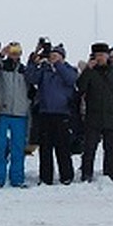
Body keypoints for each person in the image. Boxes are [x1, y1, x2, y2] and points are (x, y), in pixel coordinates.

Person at [26, 43, 78, 186]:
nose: (52, 58)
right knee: (45, 149)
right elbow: (31, 79)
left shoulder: (69, 69)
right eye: (52, 55)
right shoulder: (44, 70)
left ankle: (66, 176)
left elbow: (71, 80)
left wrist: (59, 66)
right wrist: (33, 62)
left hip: (62, 114)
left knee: (63, 148)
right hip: (45, 113)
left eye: (56, 55)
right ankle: (45, 177)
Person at [78, 43, 113, 182]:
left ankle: (109, 173)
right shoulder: (90, 72)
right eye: (97, 55)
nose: (100, 58)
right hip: (93, 117)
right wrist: (87, 70)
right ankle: (86, 174)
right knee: (89, 149)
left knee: (110, 149)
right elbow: (80, 87)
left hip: (111, 117)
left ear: (107, 56)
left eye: (102, 55)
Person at [0, 42, 29, 188]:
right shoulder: (1, 67)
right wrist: (0, 56)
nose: (14, 55)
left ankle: (17, 179)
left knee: (18, 148)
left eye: (17, 52)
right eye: (12, 52)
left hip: (20, 113)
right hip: (3, 112)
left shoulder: (24, 70)